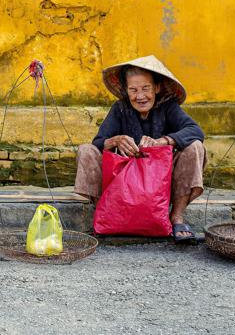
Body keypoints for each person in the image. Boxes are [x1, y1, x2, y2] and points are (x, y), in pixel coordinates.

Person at [74, 55, 206, 243]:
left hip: (159, 185)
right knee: (86, 150)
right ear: (127, 92)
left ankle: (176, 218)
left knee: (195, 147)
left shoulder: (168, 107)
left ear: (157, 88)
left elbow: (195, 131)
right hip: (123, 185)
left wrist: (164, 141)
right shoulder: (120, 108)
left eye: (146, 88)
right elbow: (98, 142)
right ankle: (107, 214)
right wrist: (115, 141)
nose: (140, 96)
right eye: (133, 90)